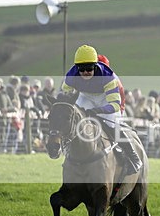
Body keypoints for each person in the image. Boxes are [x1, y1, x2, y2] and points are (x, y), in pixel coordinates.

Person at [61, 44, 142, 175]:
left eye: (89, 68)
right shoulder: (71, 76)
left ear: (96, 65)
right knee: (76, 116)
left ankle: (133, 157)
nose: (85, 72)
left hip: (107, 98)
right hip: (86, 95)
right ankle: (68, 149)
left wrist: (98, 111)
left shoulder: (108, 76)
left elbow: (115, 105)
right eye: (82, 69)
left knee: (111, 124)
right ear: (76, 68)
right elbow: (64, 97)